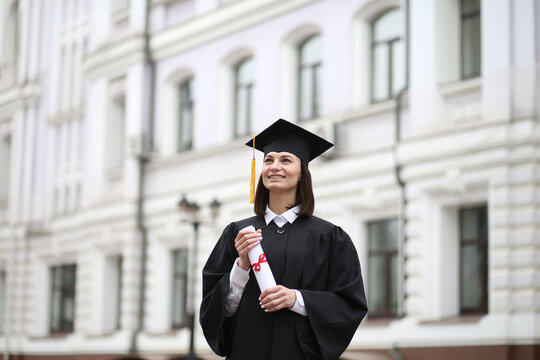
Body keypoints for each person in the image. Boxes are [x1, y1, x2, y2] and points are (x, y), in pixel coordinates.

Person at [200, 119, 368, 360]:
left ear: (302, 174)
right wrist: (242, 266)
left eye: (286, 160)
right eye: (268, 160)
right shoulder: (237, 233)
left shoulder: (330, 238)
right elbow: (216, 311)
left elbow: (349, 304)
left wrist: (296, 299)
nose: (274, 166)